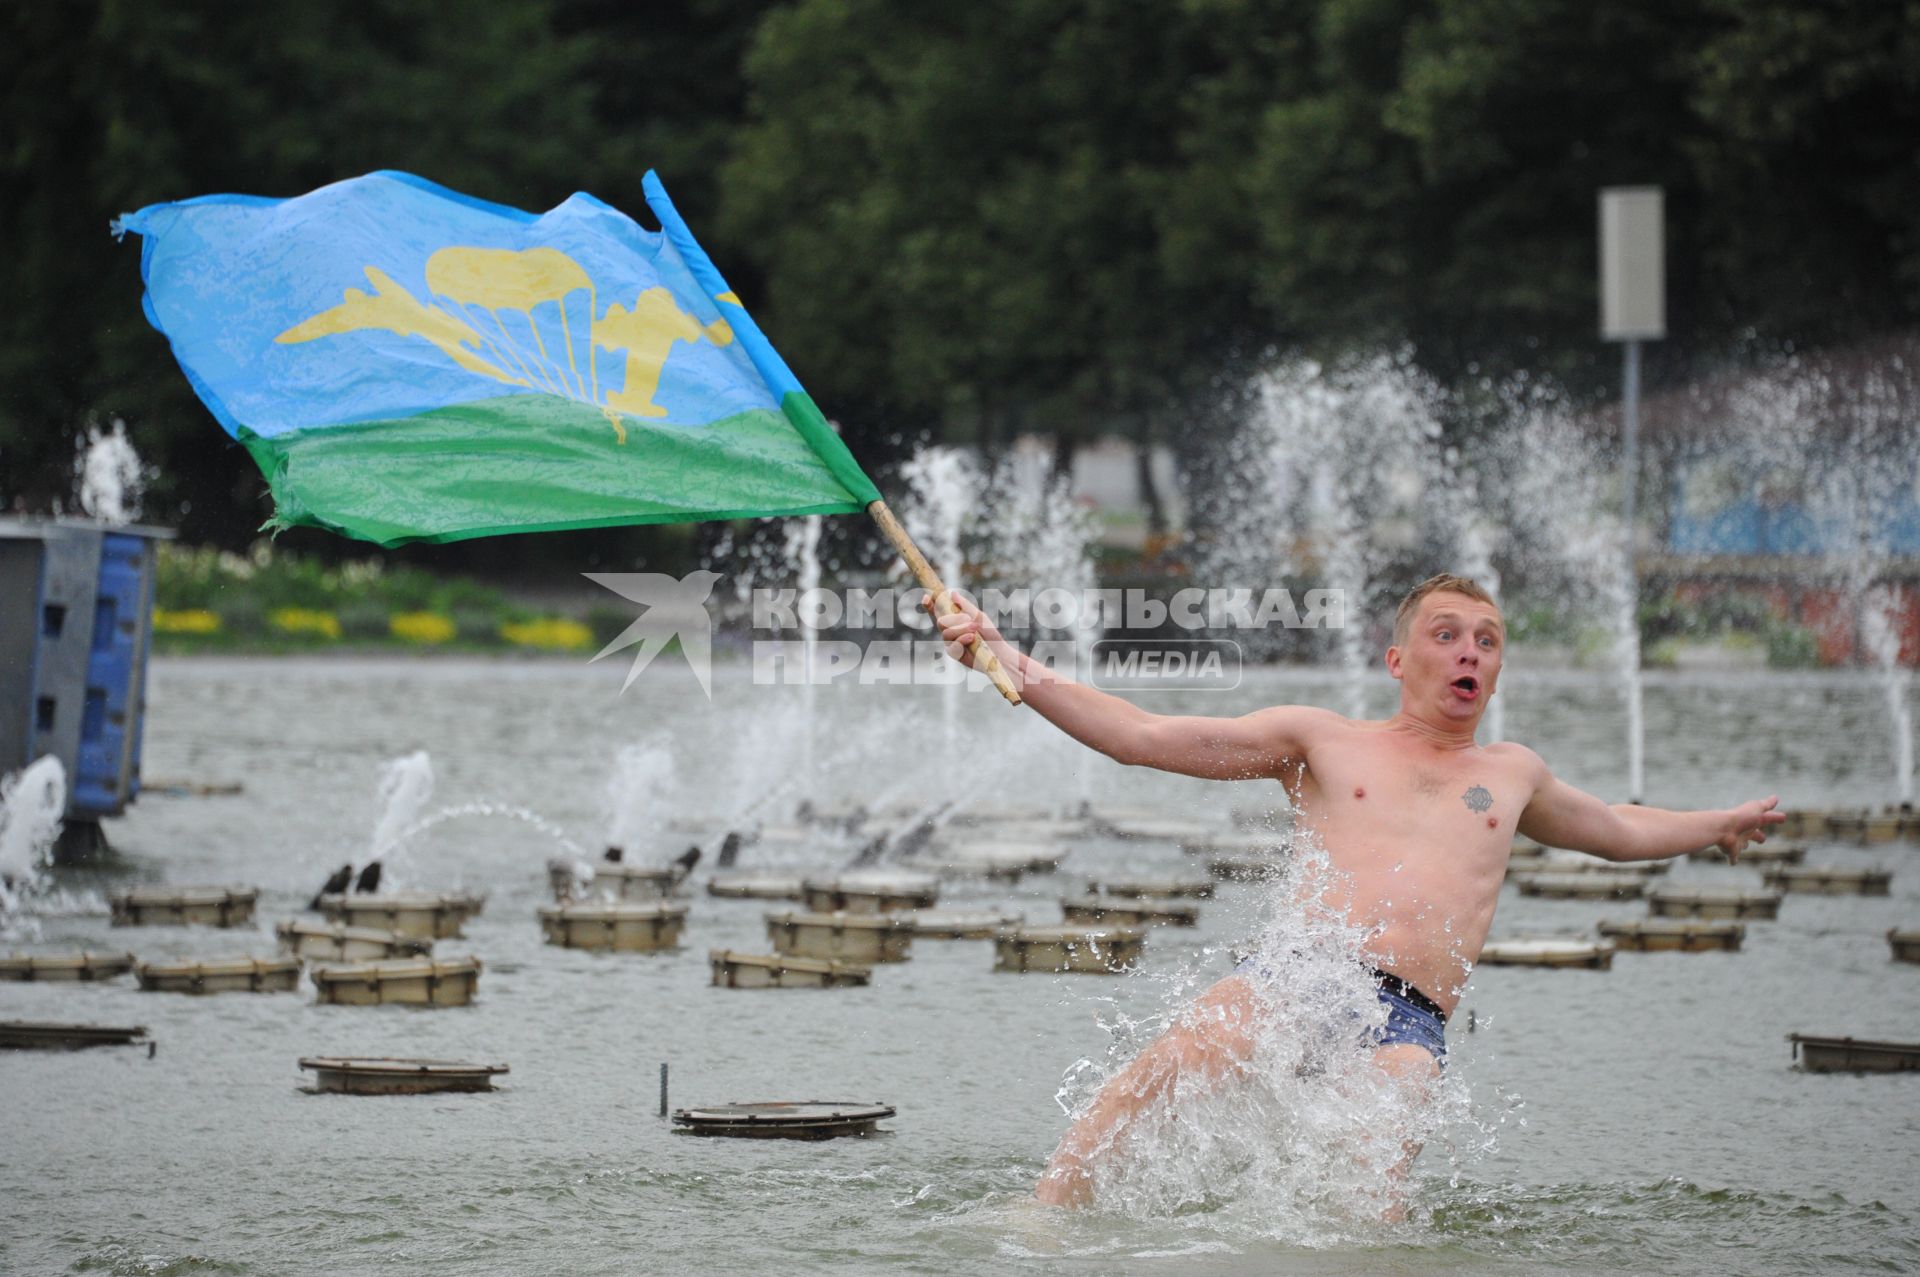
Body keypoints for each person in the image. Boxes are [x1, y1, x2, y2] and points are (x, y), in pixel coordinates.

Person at [929, 573, 1782, 1208]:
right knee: (1159, 1071)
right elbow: (1143, 736)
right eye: (1448, 634)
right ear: (1398, 657)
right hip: (1300, 976)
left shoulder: (1513, 773)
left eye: (1487, 640)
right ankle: (1041, 1220)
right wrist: (1002, 655)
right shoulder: (1321, 741)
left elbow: (1619, 828)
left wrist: (1714, 823)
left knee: (1383, 1157)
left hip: (1411, 1013)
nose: (1470, 651)